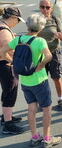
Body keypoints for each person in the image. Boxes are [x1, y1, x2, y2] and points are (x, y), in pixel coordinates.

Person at [0, 13, 62, 147]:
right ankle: (47, 138)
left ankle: (34, 136)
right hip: (39, 80)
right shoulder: (40, 41)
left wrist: (13, 63)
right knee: (46, 108)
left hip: (26, 80)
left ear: (27, 25)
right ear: (41, 27)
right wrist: (41, 65)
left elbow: (2, 52)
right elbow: (49, 56)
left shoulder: (19, 39)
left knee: (31, 108)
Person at [38, 0, 62, 111]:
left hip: (54, 52)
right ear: (39, 7)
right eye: (42, 7)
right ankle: (43, 100)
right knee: (41, 79)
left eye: (47, 7)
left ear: (51, 8)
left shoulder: (55, 20)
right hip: (40, 54)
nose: (45, 9)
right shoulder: (36, 20)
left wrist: (60, 35)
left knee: (56, 77)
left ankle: (60, 99)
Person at [0, 7, 24, 135]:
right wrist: (13, 63)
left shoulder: (2, 26)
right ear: (13, 18)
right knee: (10, 91)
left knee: (7, 91)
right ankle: (7, 123)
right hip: (5, 64)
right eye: (18, 20)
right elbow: (4, 50)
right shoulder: (4, 31)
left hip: (2, 64)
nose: (18, 23)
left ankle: (6, 117)